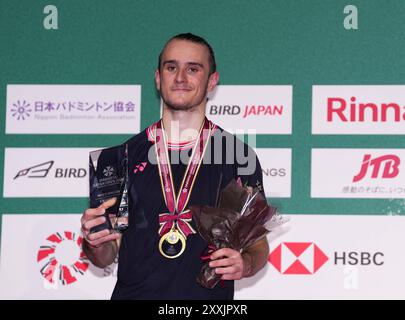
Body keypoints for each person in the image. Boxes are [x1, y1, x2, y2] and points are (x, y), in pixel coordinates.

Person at [81, 33, 269, 300]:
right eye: (171, 68)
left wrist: (245, 263)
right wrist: (94, 241)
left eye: (193, 69)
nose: (180, 77)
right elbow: (105, 257)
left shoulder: (236, 156)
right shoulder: (120, 158)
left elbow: (257, 245)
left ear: (212, 81)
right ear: (158, 78)